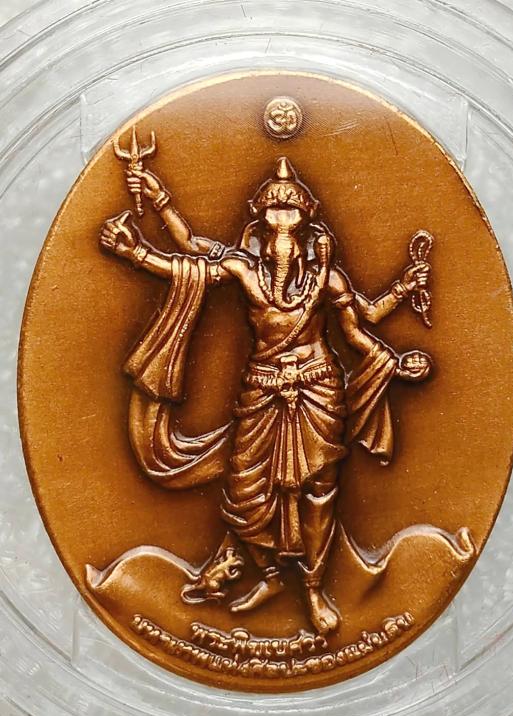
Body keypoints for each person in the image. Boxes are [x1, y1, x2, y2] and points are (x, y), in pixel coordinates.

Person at [100, 157, 431, 634]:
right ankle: (272, 576)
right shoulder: (243, 268)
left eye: (290, 212)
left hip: (318, 390)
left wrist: (396, 360)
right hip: (261, 390)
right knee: (244, 492)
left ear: (306, 222)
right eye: (274, 212)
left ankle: (313, 590)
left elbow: (362, 326)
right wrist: (141, 239)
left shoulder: (327, 277)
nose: (281, 222)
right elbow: (189, 261)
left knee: (318, 492)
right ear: (259, 221)